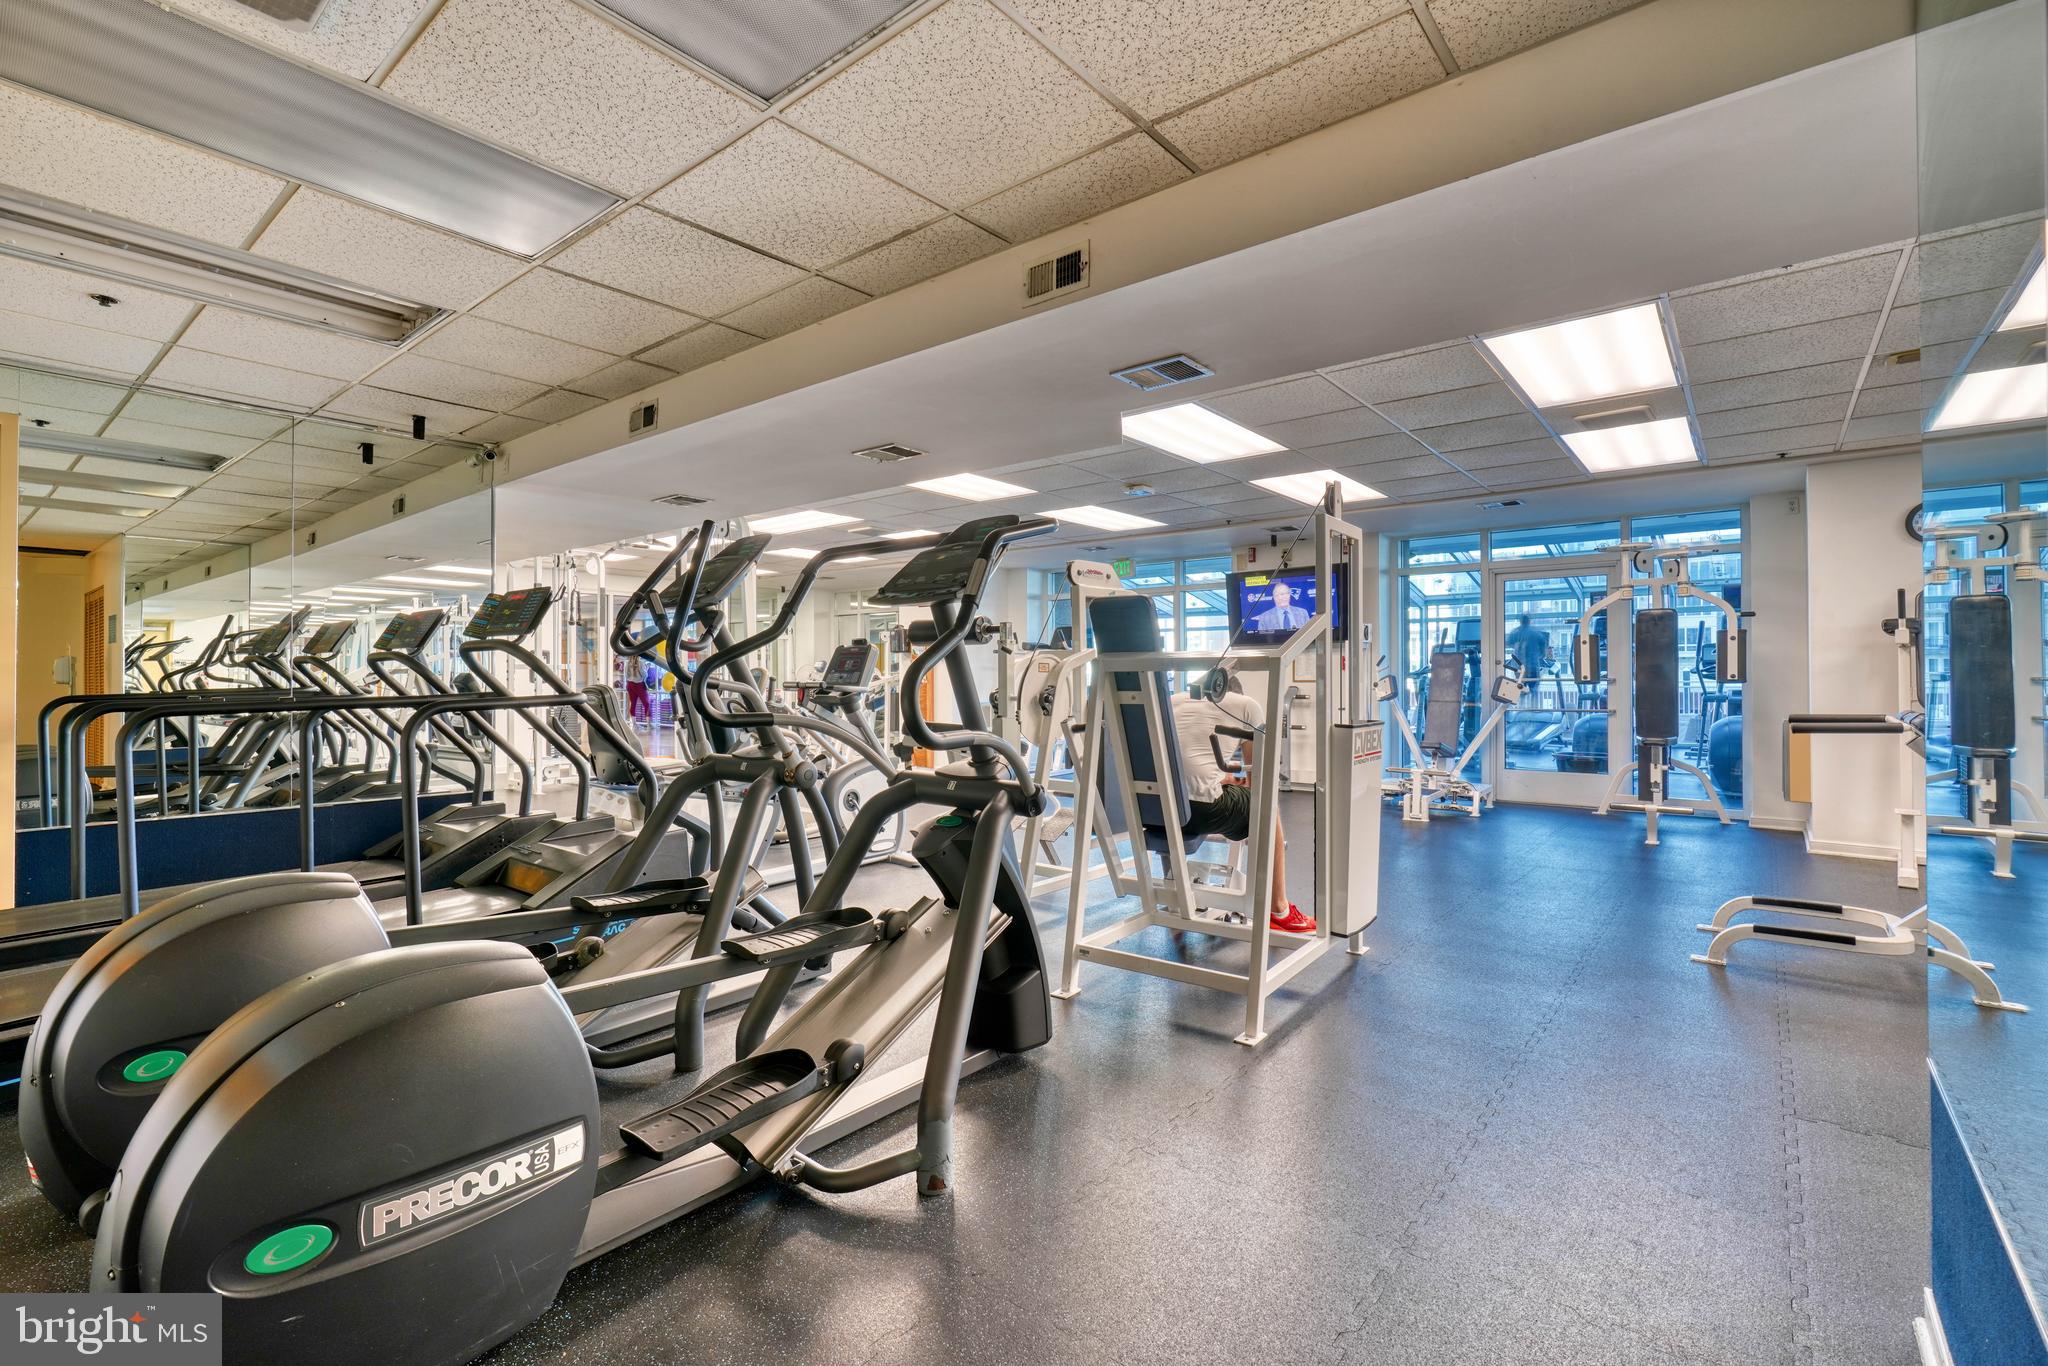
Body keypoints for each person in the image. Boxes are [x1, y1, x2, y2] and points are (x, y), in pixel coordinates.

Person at [1171, 672, 1314, 934]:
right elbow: (1257, 780)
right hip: (1203, 811)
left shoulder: (1175, 700)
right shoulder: (1247, 705)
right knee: (1267, 808)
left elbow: (1185, 758)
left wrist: (1221, 777)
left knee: (1232, 796)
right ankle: (1278, 909)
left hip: (1161, 808)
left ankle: (1174, 892)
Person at [1506, 612, 1550, 676]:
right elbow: (1543, 649)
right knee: (1533, 684)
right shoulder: (1536, 633)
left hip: (1519, 665)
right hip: (1533, 665)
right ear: (1529, 621)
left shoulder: (1514, 632)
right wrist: (1541, 656)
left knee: (1520, 684)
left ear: (1520, 621)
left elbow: (1510, 643)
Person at [622, 655, 651, 723]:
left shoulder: (628, 662)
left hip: (630, 684)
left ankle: (634, 723)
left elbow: (626, 675)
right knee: (647, 703)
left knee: (633, 703)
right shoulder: (640, 662)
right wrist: (647, 668)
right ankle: (648, 723)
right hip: (639, 685)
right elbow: (644, 674)